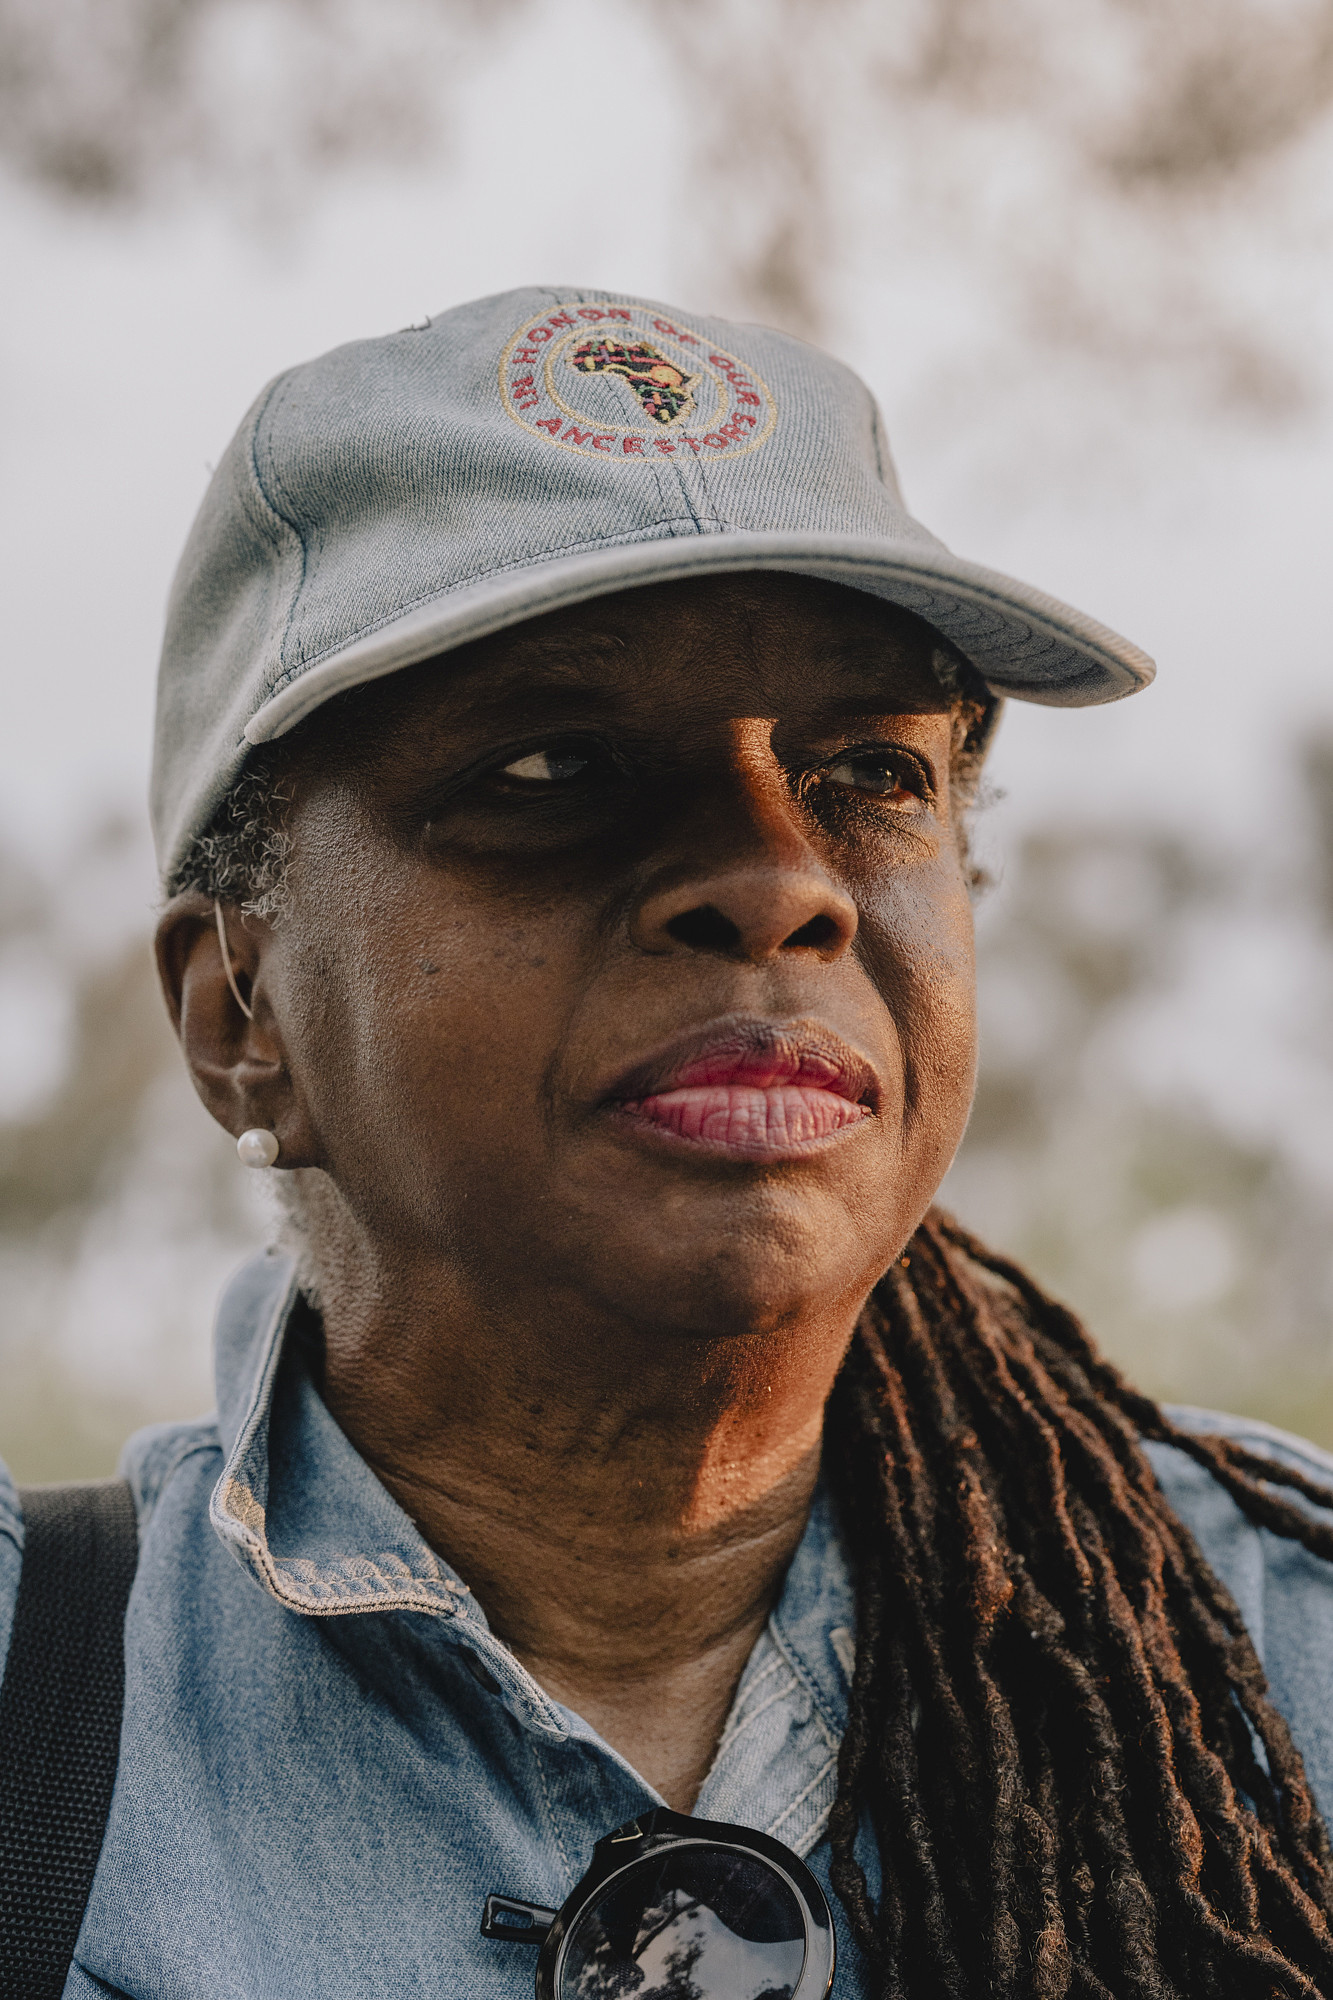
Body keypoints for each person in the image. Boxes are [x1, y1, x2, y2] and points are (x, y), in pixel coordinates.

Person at [3, 286, 1333, 2000]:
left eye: (869, 768)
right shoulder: (46, 1704)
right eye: (554, 767)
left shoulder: (1280, 1656)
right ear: (238, 1014)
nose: (779, 880)